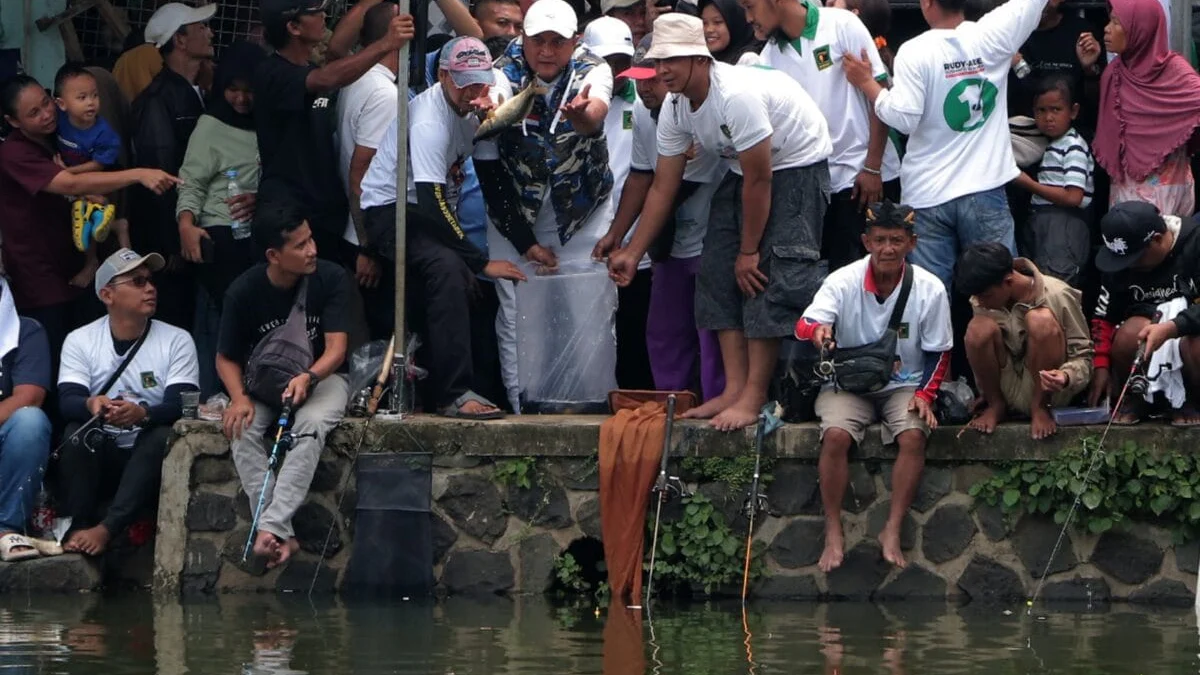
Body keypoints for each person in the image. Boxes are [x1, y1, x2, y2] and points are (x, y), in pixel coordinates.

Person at [608, 13, 832, 431]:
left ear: (699, 58)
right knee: (715, 272)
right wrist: (632, 250)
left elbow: (762, 179)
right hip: (745, 171)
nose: (661, 72)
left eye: (671, 61)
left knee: (762, 273)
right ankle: (732, 388)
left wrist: (749, 252)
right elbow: (662, 186)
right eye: (657, 63)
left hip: (796, 163)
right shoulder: (675, 104)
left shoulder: (735, 95)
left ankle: (753, 396)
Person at [360, 37, 527, 418]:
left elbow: (492, 176)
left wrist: (525, 242)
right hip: (393, 208)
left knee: (463, 282)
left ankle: (468, 385)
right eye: (464, 82)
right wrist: (478, 262)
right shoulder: (429, 122)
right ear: (442, 75)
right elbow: (432, 204)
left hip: (429, 208)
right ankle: (454, 393)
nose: (474, 91)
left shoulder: (490, 91)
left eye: (480, 81)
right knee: (449, 268)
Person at [841, 0, 1052, 289]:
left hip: (928, 195)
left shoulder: (915, 50)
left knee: (932, 295)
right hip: (984, 189)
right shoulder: (994, 33)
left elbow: (904, 120)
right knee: (1000, 292)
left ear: (926, 3)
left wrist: (868, 83)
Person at [794, 201, 952, 571]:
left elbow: (940, 352)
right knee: (835, 435)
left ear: (911, 244)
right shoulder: (842, 281)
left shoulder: (931, 289)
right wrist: (820, 331)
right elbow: (804, 325)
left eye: (896, 240)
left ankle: (892, 530)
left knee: (913, 436)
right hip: (847, 383)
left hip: (905, 384)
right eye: (879, 240)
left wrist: (926, 395)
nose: (887, 249)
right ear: (866, 241)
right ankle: (833, 530)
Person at [478, 0, 617, 412]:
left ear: (575, 41)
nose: (547, 51)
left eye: (558, 42)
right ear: (523, 39)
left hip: (581, 210)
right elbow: (497, 98)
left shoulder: (595, 68)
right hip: (515, 210)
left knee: (588, 304)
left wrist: (584, 118)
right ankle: (525, 404)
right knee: (518, 311)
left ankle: (592, 403)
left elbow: (597, 110)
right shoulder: (503, 68)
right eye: (538, 40)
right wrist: (491, 108)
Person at [0, 76, 179, 367]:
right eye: (33, 113)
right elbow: (70, 184)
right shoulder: (13, 152)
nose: (47, 114)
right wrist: (139, 174)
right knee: (53, 357)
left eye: (46, 103)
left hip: (76, 261)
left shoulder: (60, 132)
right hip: (39, 273)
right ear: (14, 122)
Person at [217, 202, 354, 567]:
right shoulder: (242, 292)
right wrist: (238, 399)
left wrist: (308, 377)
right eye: (300, 245)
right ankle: (282, 535)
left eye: (311, 240)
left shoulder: (331, 277)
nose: (312, 250)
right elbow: (225, 357)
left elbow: (337, 349)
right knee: (241, 428)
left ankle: (271, 528)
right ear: (273, 255)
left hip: (322, 378)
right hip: (263, 387)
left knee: (310, 426)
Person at [597, 36, 727, 399]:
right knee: (665, 330)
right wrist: (616, 233)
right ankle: (673, 402)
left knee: (711, 329)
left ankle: (715, 403)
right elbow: (640, 175)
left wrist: (636, 247)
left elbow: (675, 186)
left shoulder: (695, 106)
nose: (643, 87)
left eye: (651, 78)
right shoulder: (642, 109)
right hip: (668, 237)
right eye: (639, 78)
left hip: (709, 230)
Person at [57, 248, 200, 556]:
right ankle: (80, 525)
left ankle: (106, 529)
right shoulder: (80, 340)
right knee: (74, 430)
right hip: (103, 454)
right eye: (137, 281)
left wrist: (142, 414)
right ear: (107, 294)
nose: (150, 288)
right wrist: (93, 405)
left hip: (148, 458)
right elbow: (67, 399)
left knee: (163, 434)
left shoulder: (177, 340)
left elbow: (182, 405)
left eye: (150, 280)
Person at [254, 0, 415, 264]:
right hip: (290, 215)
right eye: (314, 12)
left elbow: (336, 61)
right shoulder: (272, 73)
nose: (324, 16)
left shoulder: (310, 68)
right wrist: (387, 43)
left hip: (324, 217)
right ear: (293, 27)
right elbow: (328, 78)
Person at [752, 0, 901, 271]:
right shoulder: (767, 57)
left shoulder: (842, 24)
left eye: (750, 7)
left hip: (867, 178)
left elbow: (879, 98)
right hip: (818, 186)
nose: (748, 18)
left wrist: (873, 166)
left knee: (877, 276)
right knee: (834, 281)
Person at [176, 41, 268, 398]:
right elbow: (191, 182)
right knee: (219, 321)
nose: (242, 100)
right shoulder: (211, 125)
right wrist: (186, 225)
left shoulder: (271, 123)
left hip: (258, 237)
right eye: (233, 90)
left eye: (250, 92)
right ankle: (213, 397)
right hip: (220, 234)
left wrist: (263, 199)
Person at [129, 2, 221, 331]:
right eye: (201, 27)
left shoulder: (200, 91)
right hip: (174, 248)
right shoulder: (158, 101)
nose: (210, 32)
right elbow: (160, 177)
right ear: (179, 41)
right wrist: (171, 245)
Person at [583, 17, 656, 391]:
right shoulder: (575, 102)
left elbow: (647, 174)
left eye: (621, 61)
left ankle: (632, 400)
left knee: (633, 328)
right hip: (584, 239)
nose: (615, 71)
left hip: (632, 240)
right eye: (605, 62)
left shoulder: (642, 102)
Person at [959, 243, 1093, 439]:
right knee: (978, 328)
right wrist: (989, 393)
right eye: (976, 297)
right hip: (1006, 385)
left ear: (1008, 281)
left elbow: (1084, 355)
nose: (979, 302)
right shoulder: (983, 299)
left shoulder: (1057, 293)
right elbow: (982, 344)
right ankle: (997, 405)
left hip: (1049, 388)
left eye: (985, 296)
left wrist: (1066, 376)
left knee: (1039, 320)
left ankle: (1039, 408)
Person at [1089, 201, 1200, 426]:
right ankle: (1143, 399)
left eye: (1135, 258)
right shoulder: (1118, 265)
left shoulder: (1195, 241)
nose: (1129, 266)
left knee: (1194, 345)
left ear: (1157, 240)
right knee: (1128, 335)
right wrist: (1100, 365)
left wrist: (1173, 328)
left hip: (1190, 328)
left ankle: (1192, 400)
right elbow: (1104, 316)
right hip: (1145, 327)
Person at [1092, 0, 1200, 218]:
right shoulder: (1114, 73)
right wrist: (1089, 69)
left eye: (1116, 22)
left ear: (1140, 27)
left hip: (1169, 188)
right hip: (1126, 189)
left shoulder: (1174, 71)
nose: (1106, 28)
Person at [336, 1, 401, 308]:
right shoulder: (384, 95)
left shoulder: (357, 80)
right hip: (368, 239)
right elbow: (360, 174)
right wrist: (369, 249)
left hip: (355, 232)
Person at [1009, 77, 1094, 287]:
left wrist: (1028, 184)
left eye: (1056, 110)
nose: (1048, 117)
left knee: (1056, 285)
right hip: (1044, 221)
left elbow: (1074, 197)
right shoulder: (1049, 143)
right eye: (1041, 111)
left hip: (1063, 223)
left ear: (1073, 112)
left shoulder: (1073, 147)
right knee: (1038, 283)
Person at [0, 279, 54, 563]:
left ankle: (5, 528)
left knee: (31, 422)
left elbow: (30, 396)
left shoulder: (26, 331)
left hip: (4, 440)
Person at [53, 63, 128, 264]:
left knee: (88, 208)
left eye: (95, 96)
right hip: (69, 181)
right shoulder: (57, 119)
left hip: (94, 179)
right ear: (61, 104)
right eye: (82, 98)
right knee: (81, 216)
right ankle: (116, 226)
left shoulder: (105, 134)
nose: (91, 103)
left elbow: (98, 166)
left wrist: (68, 172)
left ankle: (92, 262)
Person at [1007, 0, 1104, 133]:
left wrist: (1089, 69)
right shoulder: (1010, 35)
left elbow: (1099, 101)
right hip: (1024, 135)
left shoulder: (1083, 34)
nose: (1040, 4)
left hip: (1075, 134)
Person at [699, 0, 763, 65]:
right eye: (704, 23)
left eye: (717, 22)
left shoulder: (748, 60)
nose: (709, 29)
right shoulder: (703, 59)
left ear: (735, 23)